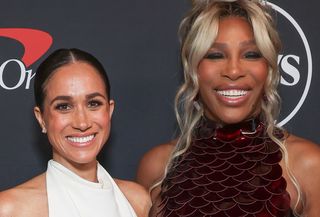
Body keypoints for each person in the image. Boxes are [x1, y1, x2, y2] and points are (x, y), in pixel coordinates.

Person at [136, 0, 320, 216]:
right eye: (215, 55)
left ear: (269, 68)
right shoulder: (157, 166)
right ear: (193, 68)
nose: (233, 70)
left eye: (251, 54)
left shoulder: (307, 164)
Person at [0, 48, 151, 217]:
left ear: (109, 111)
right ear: (41, 118)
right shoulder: (9, 209)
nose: (82, 122)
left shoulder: (138, 201)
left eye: (93, 103)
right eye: (63, 106)